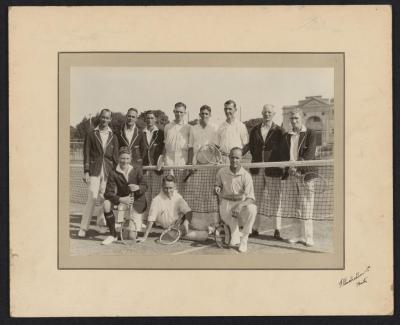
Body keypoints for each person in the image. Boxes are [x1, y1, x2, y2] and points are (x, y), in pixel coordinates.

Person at [243, 104, 284, 239]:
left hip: (273, 171)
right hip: (257, 170)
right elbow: (253, 148)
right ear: (262, 113)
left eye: (270, 112)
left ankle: (277, 229)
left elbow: (282, 149)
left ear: (274, 114)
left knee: (275, 201)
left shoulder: (279, 130)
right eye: (265, 112)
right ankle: (255, 228)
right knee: (255, 201)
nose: (267, 114)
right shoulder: (254, 130)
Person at [78, 108, 119, 238]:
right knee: (92, 196)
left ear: (110, 120)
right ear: (99, 118)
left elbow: (116, 156)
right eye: (103, 117)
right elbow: (87, 153)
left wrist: (116, 174)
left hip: (108, 171)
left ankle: (101, 225)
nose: (104, 120)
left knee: (104, 198)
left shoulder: (114, 136)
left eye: (107, 118)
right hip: (94, 171)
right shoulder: (91, 134)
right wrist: (86, 171)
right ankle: (83, 228)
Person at [280, 109, 317, 247]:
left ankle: (308, 237)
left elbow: (310, 154)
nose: (294, 121)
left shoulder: (310, 133)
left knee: (307, 206)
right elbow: (284, 155)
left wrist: (298, 169)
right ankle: (297, 235)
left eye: (296, 118)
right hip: (291, 176)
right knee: (295, 207)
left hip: (305, 175)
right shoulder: (286, 136)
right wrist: (289, 169)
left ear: (302, 118)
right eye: (292, 119)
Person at [101, 147, 148, 245]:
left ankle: (128, 228)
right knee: (106, 203)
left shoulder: (137, 169)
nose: (125, 161)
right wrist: (121, 199)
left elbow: (145, 186)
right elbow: (108, 193)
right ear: (118, 158)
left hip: (137, 202)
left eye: (127, 158)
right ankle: (113, 235)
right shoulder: (113, 172)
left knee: (131, 237)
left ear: (130, 159)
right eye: (122, 158)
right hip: (123, 201)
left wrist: (138, 188)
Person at [214, 147, 257, 253]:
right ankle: (232, 231)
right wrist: (217, 188)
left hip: (240, 205)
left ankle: (244, 239)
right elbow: (217, 185)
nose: (234, 160)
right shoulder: (221, 172)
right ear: (229, 157)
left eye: (237, 158)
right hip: (226, 205)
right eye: (232, 157)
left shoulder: (246, 176)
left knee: (252, 209)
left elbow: (251, 198)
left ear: (241, 158)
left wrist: (240, 205)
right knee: (232, 242)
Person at [137, 174, 193, 243]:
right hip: (169, 229)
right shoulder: (156, 200)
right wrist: (145, 237)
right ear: (162, 186)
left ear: (175, 186)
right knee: (202, 236)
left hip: (179, 225)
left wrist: (186, 222)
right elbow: (151, 219)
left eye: (170, 188)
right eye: (166, 188)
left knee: (201, 230)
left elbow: (189, 212)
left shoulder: (178, 197)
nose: (168, 191)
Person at [162, 102, 191, 166]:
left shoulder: (189, 127)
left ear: (185, 113)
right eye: (177, 112)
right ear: (174, 111)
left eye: (181, 112)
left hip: (183, 161)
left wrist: (189, 162)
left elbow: (190, 147)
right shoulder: (167, 127)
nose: (179, 114)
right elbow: (165, 144)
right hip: (168, 161)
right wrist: (162, 159)